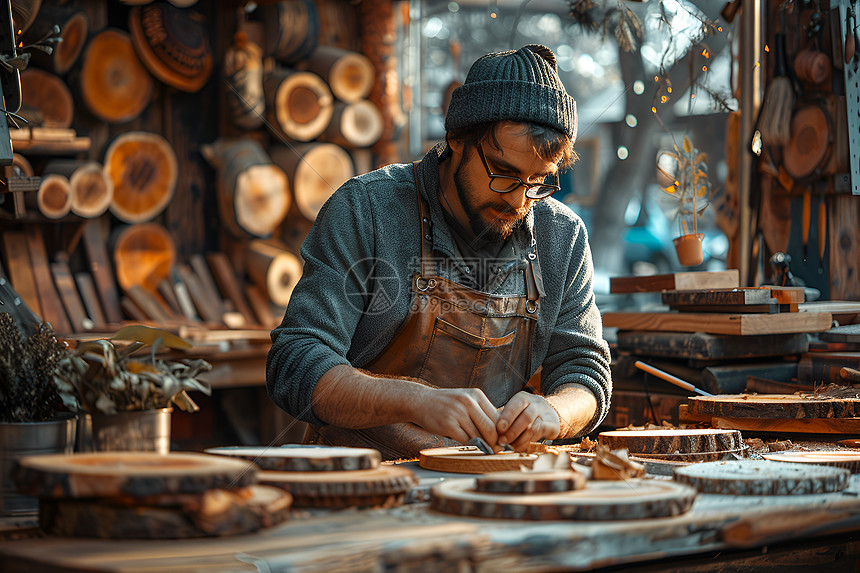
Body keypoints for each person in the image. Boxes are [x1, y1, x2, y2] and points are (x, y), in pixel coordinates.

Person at [267, 44, 612, 460]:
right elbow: (295, 362)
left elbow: (585, 372)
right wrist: (414, 400)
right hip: (362, 481)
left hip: (482, 486)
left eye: (538, 181)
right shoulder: (367, 209)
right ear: (457, 140)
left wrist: (554, 412)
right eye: (503, 174)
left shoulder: (562, 237)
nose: (520, 201)